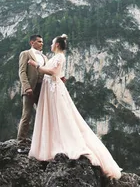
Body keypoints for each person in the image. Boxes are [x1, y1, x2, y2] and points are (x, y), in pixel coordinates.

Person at [27, 34, 122, 180]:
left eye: (52, 43)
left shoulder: (59, 57)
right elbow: (58, 73)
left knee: (58, 115)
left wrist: (37, 66)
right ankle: (50, 144)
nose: (50, 45)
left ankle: (55, 145)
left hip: (53, 89)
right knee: (54, 116)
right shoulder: (57, 56)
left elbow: (53, 72)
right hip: (50, 88)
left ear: (57, 45)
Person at [17, 34, 48, 142]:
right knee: (26, 116)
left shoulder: (44, 57)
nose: (41, 43)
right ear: (32, 43)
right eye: (39, 41)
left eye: (42, 42)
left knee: (43, 116)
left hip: (43, 89)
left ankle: (41, 143)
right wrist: (27, 87)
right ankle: (21, 142)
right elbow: (22, 72)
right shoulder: (25, 54)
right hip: (30, 89)